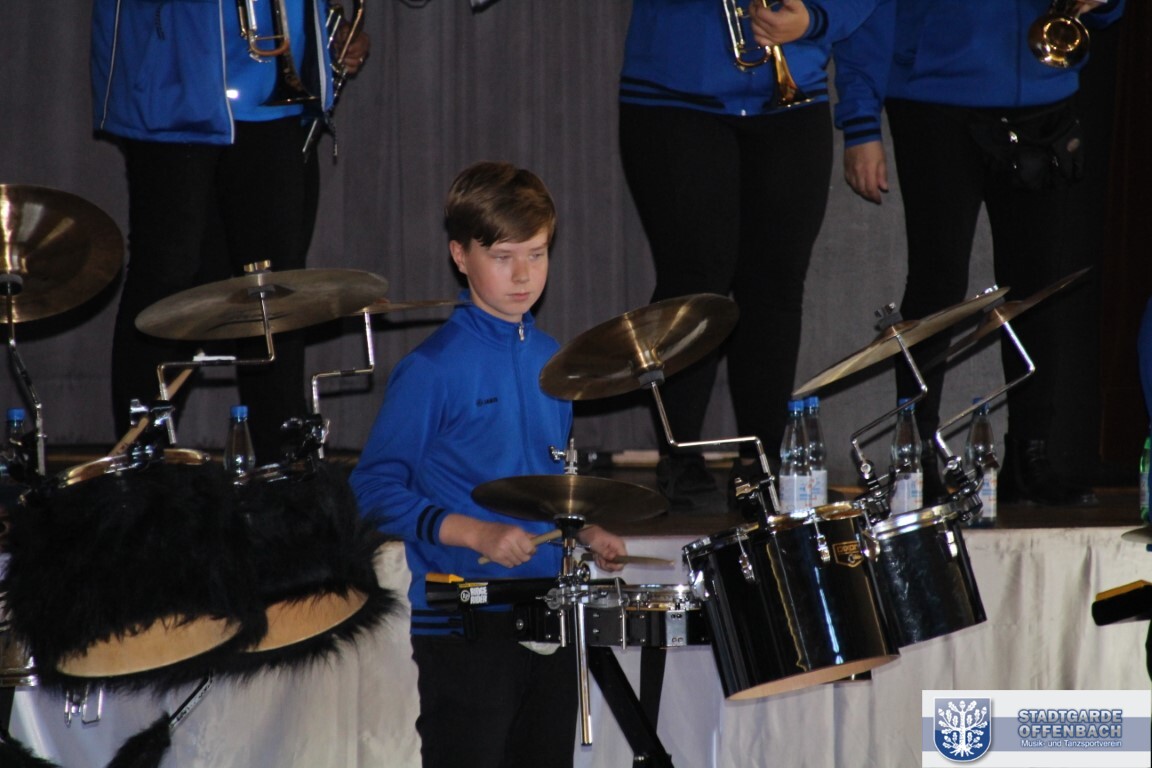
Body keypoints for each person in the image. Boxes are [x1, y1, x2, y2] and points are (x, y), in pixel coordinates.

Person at [350, 162, 627, 768]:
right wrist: (474, 533)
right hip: (464, 621)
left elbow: (545, 485)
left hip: (547, 611)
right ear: (460, 255)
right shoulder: (433, 369)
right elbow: (370, 489)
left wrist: (584, 530)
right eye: (503, 257)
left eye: (537, 253)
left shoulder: (554, 361)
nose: (524, 274)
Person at [841, 0, 1124, 505]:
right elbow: (869, 10)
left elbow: (1105, 13)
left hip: (1044, 98)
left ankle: (1030, 454)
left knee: (1039, 288)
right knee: (937, 286)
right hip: (934, 101)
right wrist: (860, 121)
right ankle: (915, 460)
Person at [618, 0, 893, 513]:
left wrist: (815, 19)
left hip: (794, 101)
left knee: (776, 288)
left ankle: (760, 462)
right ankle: (680, 458)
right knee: (695, 281)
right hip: (674, 97)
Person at [90, 0, 368, 463]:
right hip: (174, 84)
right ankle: (142, 460)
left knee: (274, 289)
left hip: (271, 97)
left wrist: (324, 24)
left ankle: (280, 466)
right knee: (169, 275)